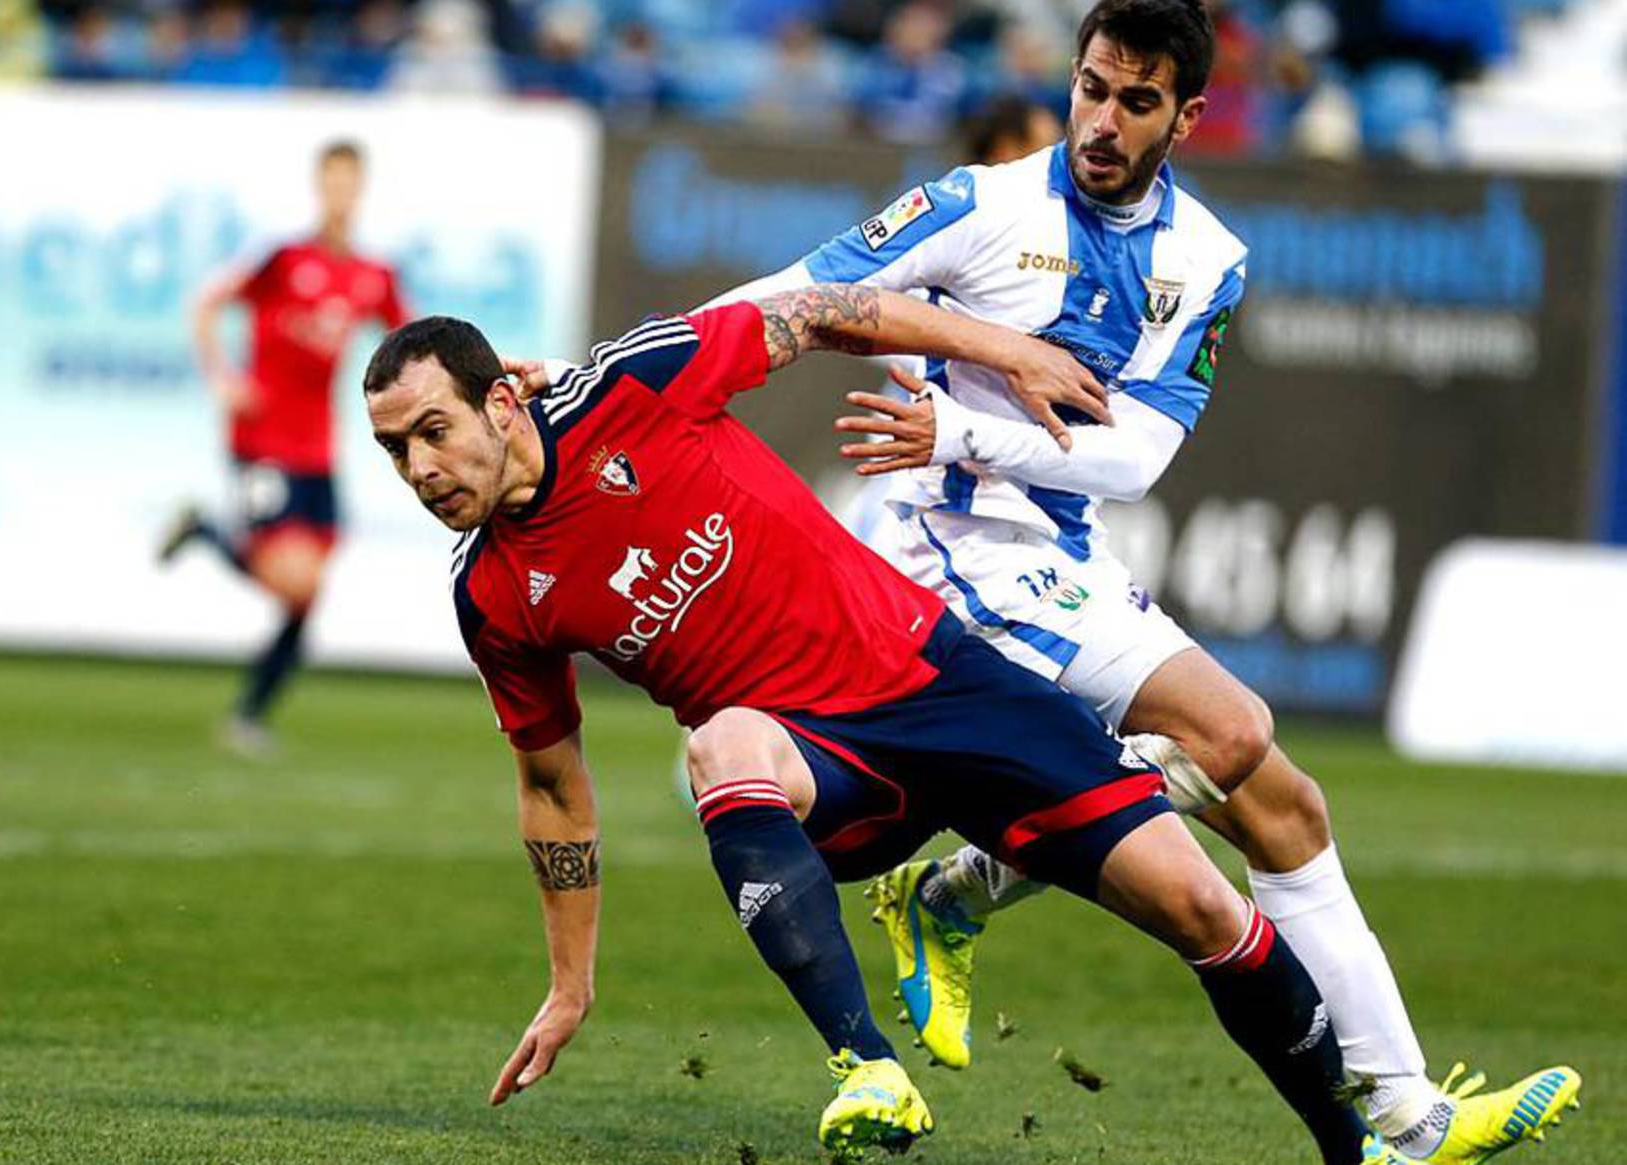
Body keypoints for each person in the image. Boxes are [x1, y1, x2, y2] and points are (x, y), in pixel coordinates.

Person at [705, 1, 1580, 1161]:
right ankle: (950, 894)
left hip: (1062, 552)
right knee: (1230, 731)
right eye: (1090, 88)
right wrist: (601, 379)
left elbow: (1136, 455)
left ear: (1187, 115)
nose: (1101, 122)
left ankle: (1406, 1110)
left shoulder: (1207, 257)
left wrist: (963, 435)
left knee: (1282, 799)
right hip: (947, 556)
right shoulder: (978, 205)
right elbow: (785, 296)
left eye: (1135, 101)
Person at [364, 284, 1425, 1164]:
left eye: (433, 431)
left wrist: (1003, 348)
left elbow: (831, 312)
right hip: (822, 767)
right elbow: (552, 787)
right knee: (720, 745)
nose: (419, 471)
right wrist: (567, 984)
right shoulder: (493, 597)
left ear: (503, 401)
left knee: (1204, 906)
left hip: (941, 682)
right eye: (395, 450)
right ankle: (867, 1064)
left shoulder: (635, 385)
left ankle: (1356, 1148)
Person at [160, 140, 410, 755]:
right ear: (318, 186)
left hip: (319, 452)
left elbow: (411, 342)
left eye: (351, 183)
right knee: (294, 586)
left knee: (307, 598)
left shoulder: (372, 275)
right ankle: (210, 533)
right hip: (261, 440)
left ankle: (248, 716)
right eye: (332, 182)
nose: (340, 194)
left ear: (361, 190)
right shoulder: (282, 258)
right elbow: (205, 305)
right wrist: (222, 377)